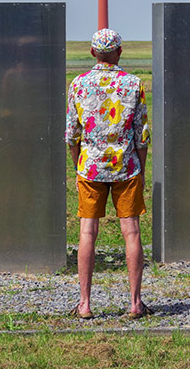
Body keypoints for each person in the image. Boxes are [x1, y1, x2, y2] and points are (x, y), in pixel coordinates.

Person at [65, 28, 153, 319]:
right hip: (125, 167)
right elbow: (141, 134)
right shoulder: (133, 83)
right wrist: (140, 168)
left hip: (90, 167)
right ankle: (135, 303)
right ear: (120, 52)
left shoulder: (78, 84)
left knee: (87, 232)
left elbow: (72, 134)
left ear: (92, 52)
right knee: (132, 232)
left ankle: (85, 304)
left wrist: (79, 163)